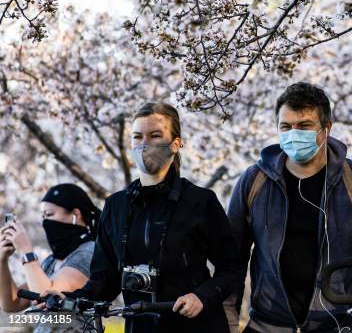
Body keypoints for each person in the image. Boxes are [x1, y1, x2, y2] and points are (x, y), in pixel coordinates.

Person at [227, 82, 352, 332]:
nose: (293, 134)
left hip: (340, 324)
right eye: (285, 127)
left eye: (305, 126)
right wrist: (228, 320)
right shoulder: (254, 181)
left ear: (326, 128)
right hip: (268, 324)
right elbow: (231, 257)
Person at [44, 102, 241, 332]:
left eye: (155, 135)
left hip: (196, 327)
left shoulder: (200, 201)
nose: (144, 144)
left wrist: (201, 296)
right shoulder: (115, 205)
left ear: (176, 143)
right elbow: (104, 280)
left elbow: (231, 269)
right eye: (137, 137)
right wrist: (67, 298)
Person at [0, 183, 100, 332]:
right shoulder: (52, 260)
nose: (45, 222)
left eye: (50, 215)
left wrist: (26, 251)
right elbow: (12, 303)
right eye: (43, 216)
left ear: (76, 215)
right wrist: (2, 261)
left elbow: (48, 299)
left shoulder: (89, 252)